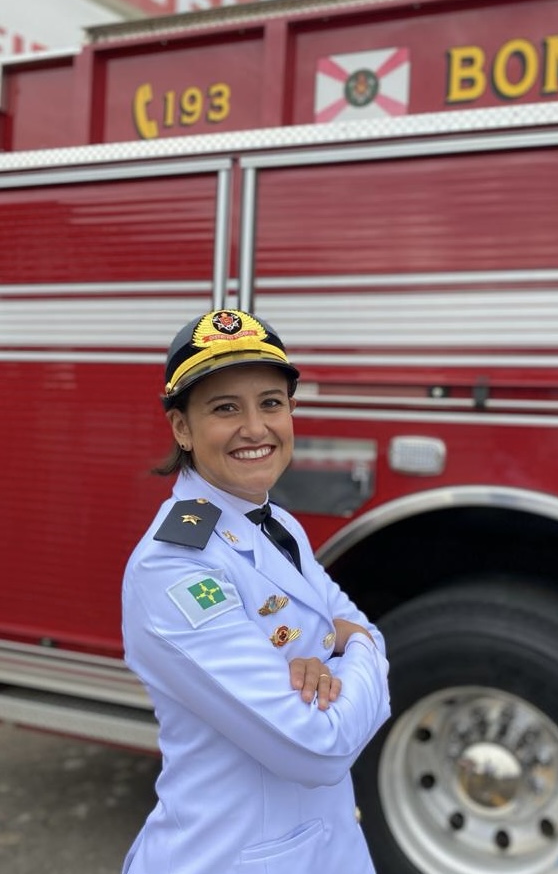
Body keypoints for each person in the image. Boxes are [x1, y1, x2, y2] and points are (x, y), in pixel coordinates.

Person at [121, 308, 390, 874]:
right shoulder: (173, 566)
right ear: (182, 428)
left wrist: (344, 645)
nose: (255, 428)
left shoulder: (277, 523)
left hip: (327, 850)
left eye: (270, 403)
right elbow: (319, 746)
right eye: (225, 408)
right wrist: (358, 648)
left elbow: (355, 623)